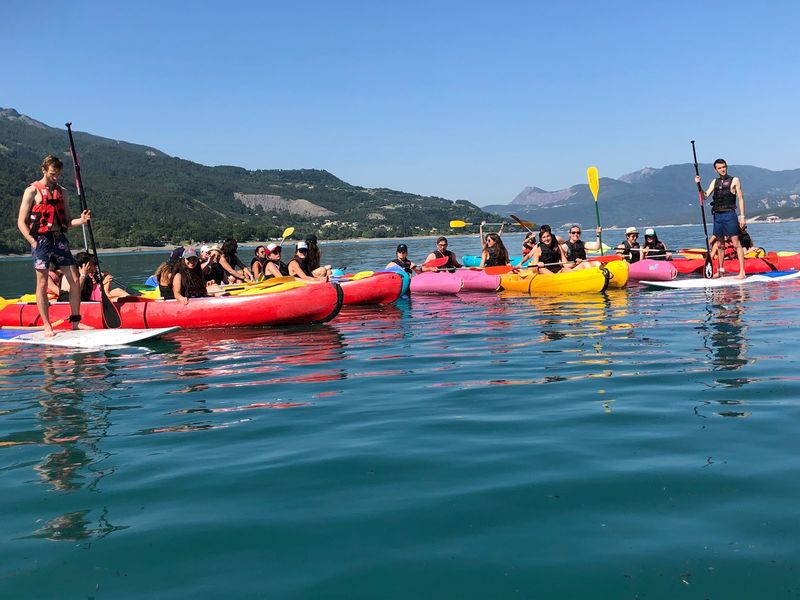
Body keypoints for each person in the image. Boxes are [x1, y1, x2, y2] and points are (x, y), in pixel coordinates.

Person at [16, 154, 92, 336]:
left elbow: (66, 221)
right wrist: (32, 241)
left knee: (74, 280)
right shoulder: (32, 191)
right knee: (42, 283)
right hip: (40, 241)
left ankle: (75, 321)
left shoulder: (62, 192)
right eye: (52, 174)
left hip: (59, 239)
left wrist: (81, 220)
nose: (55, 177)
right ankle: (47, 325)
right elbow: (21, 221)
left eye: (58, 174)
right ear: (43, 170)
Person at [695, 158, 746, 279]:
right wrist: (698, 185)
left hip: (730, 214)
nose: (722, 169)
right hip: (717, 215)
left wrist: (742, 216)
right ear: (715, 169)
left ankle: (742, 272)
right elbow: (705, 196)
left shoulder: (735, 180)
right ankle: (721, 271)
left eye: (724, 167)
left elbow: (740, 198)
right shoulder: (715, 182)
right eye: (719, 168)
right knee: (719, 244)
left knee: (736, 243)